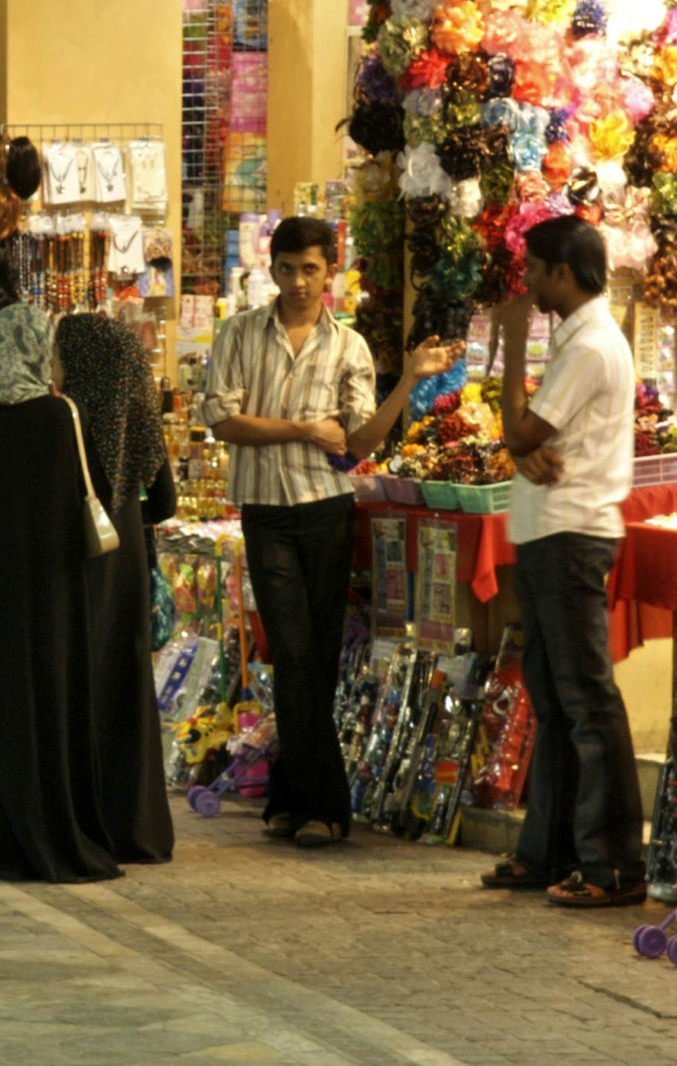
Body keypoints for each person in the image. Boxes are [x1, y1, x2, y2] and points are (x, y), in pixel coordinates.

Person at [199, 215, 451, 848]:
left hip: (326, 510)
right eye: (286, 269)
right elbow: (223, 421)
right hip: (265, 510)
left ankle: (292, 795)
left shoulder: (349, 347)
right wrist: (306, 429)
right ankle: (325, 804)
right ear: (271, 268)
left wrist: (410, 380)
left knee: (316, 655)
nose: (297, 282)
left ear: (330, 272)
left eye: (310, 269)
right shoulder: (238, 333)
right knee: (291, 650)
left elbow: (360, 444)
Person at [484, 214, 645, 908]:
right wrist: (521, 448)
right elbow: (528, 441)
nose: (526, 284)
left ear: (563, 272)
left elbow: (523, 431)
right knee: (553, 698)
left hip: (572, 533)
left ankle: (614, 865)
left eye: (533, 270)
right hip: (550, 531)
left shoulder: (591, 345)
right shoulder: (578, 338)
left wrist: (513, 347)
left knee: (586, 699)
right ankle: (548, 850)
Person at [0, 304, 121, 883]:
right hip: (52, 592)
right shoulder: (62, 417)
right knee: (50, 701)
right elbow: (99, 491)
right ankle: (56, 828)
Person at [56, 312, 178, 866]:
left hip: (79, 568)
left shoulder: (63, 425)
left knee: (80, 685)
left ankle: (86, 821)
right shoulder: (136, 428)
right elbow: (166, 502)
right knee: (126, 686)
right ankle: (135, 826)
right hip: (125, 563)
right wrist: (128, 513)